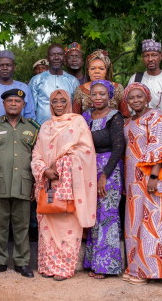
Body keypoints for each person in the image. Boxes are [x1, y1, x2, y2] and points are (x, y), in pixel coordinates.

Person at [30, 89, 97, 281]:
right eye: (54, 102)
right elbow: (36, 154)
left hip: (70, 186)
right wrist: (44, 170)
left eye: (62, 101)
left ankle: (64, 269)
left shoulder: (77, 122)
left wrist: (58, 165)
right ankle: (48, 266)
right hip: (48, 186)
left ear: (68, 103)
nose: (58, 105)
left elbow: (85, 152)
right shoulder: (45, 126)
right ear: (50, 105)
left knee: (68, 229)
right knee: (48, 229)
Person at [122, 82, 162, 285]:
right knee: (134, 224)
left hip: (150, 178)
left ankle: (150, 270)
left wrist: (154, 177)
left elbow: (160, 146)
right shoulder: (128, 121)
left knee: (152, 223)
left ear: (147, 97)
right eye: (131, 98)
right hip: (132, 182)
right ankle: (135, 266)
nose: (135, 100)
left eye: (139, 97)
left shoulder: (156, 116)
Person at [0, 89, 39, 278]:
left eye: (17, 101)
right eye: (9, 101)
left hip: (24, 183)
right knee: (0, 225)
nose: (13, 103)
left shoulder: (33, 128)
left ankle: (22, 263)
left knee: (22, 225)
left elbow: (37, 157)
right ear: (4, 104)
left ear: (23, 105)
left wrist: (35, 184)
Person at [81, 80, 125, 279]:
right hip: (90, 167)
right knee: (94, 216)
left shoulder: (115, 117)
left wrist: (104, 176)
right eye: (94, 94)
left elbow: (118, 148)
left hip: (110, 170)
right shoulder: (85, 117)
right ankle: (93, 262)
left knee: (107, 215)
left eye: (102, 94)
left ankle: (107, 265)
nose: (98, 98)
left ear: (110, 96)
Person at [0, 50, 36, 120]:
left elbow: (30, 117)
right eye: (1, 65)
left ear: (14, 67)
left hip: (19, 130)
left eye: (8, 65)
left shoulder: (24, 88)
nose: (5, 68)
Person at [29, 43, 80, 124]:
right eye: (53, 54)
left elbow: (77, 109)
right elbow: (31, 109)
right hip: (42, 129)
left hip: (67, 129)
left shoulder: (73, 81)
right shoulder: (36, 80)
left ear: (64, 58)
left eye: (60, 54)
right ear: (47, 58)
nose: (56, 57)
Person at [72, 49, 130, 118]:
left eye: (101, 69)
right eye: (93, 68)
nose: (97, 71)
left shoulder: (117, 88)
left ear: (106, 70)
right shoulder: (80, 90)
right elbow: (75, 117)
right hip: (86, 128)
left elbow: (126, 116)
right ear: (88, 70)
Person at [127, 39, 162, 112]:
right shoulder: (135, 79)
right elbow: (128, 107)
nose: (150, 59)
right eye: (146, 56)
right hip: (139, 122)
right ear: (142, 57)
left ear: (161, 56)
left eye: (154, 55)